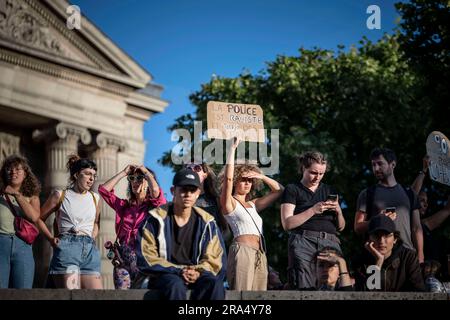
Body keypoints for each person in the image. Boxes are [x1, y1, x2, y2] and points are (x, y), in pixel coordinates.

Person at [136, 168, 226, 300]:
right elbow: (146, 257)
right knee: (175, 285)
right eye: (183, 189)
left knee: (215, 284)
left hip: (197, 273)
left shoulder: (207, 222)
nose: (188, 194)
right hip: (165, 274)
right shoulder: (154, 220)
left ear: (198, 193)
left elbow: (216, 259)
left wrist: (198, 271)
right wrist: (179, 271)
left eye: (192, 190)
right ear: (173, 191)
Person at [219, 137, 284, 291]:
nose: (248, 183)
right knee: (242, 295)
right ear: (236, 181)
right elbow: (227, 179)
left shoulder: (253, 204)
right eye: (243, 180)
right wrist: (232, 149)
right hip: (242, 251)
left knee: (259, 298)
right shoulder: (229, 203)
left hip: (260, 254)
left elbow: (280, 190)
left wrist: (261, 176)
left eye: (250, 180)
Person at [280, 151, 345, 290]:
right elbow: (287, 223)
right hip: (304, 241)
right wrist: (313, 210)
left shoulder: (329, 190)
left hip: (330, 241)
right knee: (304, 285)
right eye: (313, 172)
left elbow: (341, 227)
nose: (317, 177)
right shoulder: (293, 189)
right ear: (304, 168)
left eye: (321, 173)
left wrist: (339, 211)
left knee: (332, 285)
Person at [38, 155, 102, 289]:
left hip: (90, 250)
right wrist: (50, 238)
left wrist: (93, 235)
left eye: (94, 175)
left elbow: (96, 222)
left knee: (97, 296)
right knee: (72, 296)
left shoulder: (95, 198)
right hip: (67, 248)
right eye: (88, 174)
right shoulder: (60, 195)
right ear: (76, 175)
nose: (92, 179)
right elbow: (38, 219)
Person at [98, 164, 166, 289]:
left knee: (143, 296)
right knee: (123, 297)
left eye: (139, 178)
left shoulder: (155, 205)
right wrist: (124, 173)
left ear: (147, 181)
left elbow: (155, 191)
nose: (135, 182)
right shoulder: (124, 205)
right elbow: (103, 190)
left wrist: (146, 171)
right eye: (132, 178)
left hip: (145, 263)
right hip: (123, 262)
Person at [354, 148, 424, 263]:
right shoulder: (367, 194)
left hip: (407, 256)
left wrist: (420, 256)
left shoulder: (409, 194)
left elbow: (416, 228)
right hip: (378, 256)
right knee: (376, 282)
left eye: (380, 164)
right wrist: (378, 220)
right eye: (373, 165)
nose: (376, 168)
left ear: (393, 164)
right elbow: (358, 227)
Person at [353, 214, 425, 291]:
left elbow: (418, 292)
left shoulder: (408, 257)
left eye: (387, 235)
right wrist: (378, 263)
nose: (381, 241)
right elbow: (366, 296)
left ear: (395, 239)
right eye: (376, 235)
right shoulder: (361, 261)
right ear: (369, 239)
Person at [0, 155, 41, 288]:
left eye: (18, 169)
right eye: (9, 169)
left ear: (25, 174)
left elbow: (34, 217)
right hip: (1, 243)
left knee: (23, 292)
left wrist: (17, 195)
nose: (13, 172)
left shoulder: (32, 196)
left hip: (23, 247)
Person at [411, 155, 450, 262]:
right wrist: (424, 170)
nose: (426, 204)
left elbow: (447, 210)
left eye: (427, 202)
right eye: (422, 200)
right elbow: (412, 195)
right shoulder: (405, 222)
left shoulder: (424, 224)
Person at [184, 162, 228, 234]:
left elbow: (225, 229)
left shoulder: (216, 199)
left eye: (197, 168)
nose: (192, 171)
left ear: (205, 175)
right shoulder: (181, 199)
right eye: (189, 169)